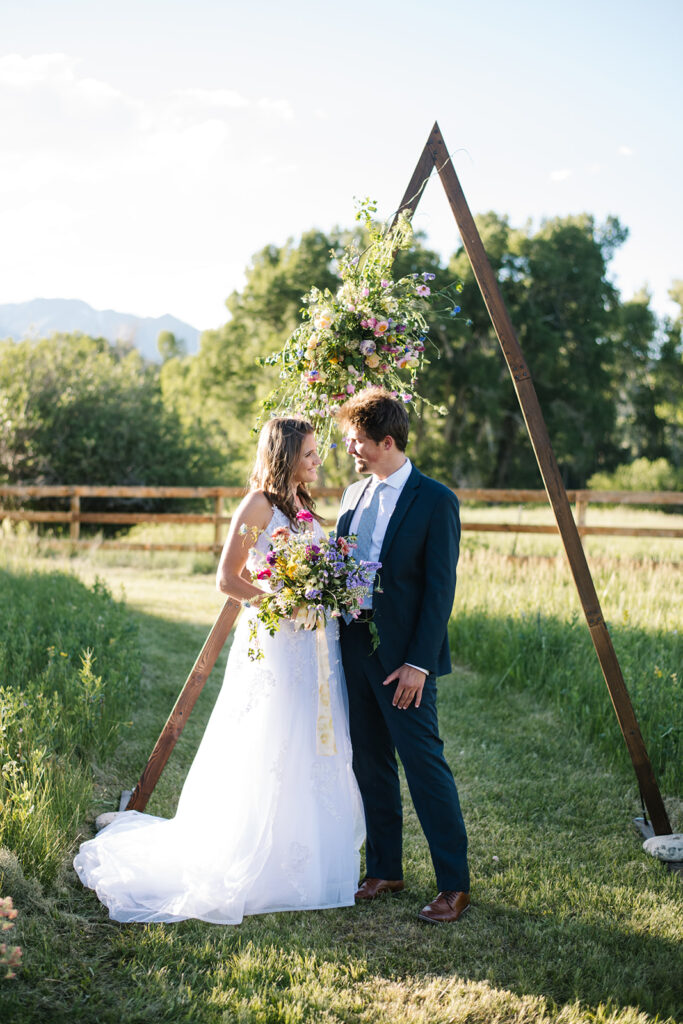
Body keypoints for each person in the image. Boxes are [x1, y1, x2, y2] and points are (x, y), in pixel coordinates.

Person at [74, 416, 364, 924]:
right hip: (276, 642)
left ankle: (307, 861)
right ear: (285, 455)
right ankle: (253, 859)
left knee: (307, 740)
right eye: (311, 453)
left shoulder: (303, 507)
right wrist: (282, 600)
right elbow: (227, 578)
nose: (319, 460)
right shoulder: (257, 506)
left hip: (314, 646)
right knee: (269, 739)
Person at [335, 388, 470, 924]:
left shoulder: (436, 500)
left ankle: (454, 885)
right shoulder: (351, 496)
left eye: (358, 442)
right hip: (352, 647)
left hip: (403, 661)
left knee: (423, 765)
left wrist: (418, 662)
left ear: (387, 442)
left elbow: (440, 590)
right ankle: (385, 868)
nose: (351, 450)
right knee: (369, 759)